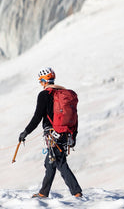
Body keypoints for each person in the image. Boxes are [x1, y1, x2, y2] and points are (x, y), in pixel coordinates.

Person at [18, 67, 83, 199]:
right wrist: (74, 136)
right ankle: (43, 193)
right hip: (66, 133)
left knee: (59, 162)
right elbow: (75, 117)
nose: (40, 84)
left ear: (44, 80)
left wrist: (26, 132)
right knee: (50, 163)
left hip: (53, 134)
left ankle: (77, 192)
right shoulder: (65, 95)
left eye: (40, 81)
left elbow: (37, 117)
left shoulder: (44, 95)